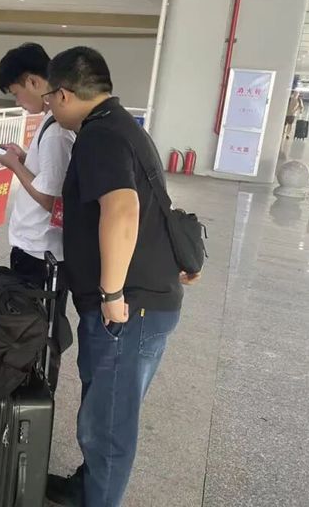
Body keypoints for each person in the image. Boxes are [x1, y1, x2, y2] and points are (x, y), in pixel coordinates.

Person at [43, 47, 198, 507]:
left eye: (50, 97)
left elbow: (123, 209)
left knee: (109, 424)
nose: (49, 106)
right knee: (105, 408)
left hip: (129, 305)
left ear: (64, 94)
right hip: (143, 299)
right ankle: (87, 487)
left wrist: (111, 294)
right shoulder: (121, 124)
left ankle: (98, 498)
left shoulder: (100, 136)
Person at [0, 42, 75, 394]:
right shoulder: (48, 121)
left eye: (16, 93)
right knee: (30, 329)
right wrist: (25, 157)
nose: (18, 102)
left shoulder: (56, 131)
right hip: (33, 248)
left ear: (33, 81)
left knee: (38, 332)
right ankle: (28, 390)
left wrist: (15, 166)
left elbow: (51, 199)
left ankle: (36, 395)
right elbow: (46, 176)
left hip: (43, 255)